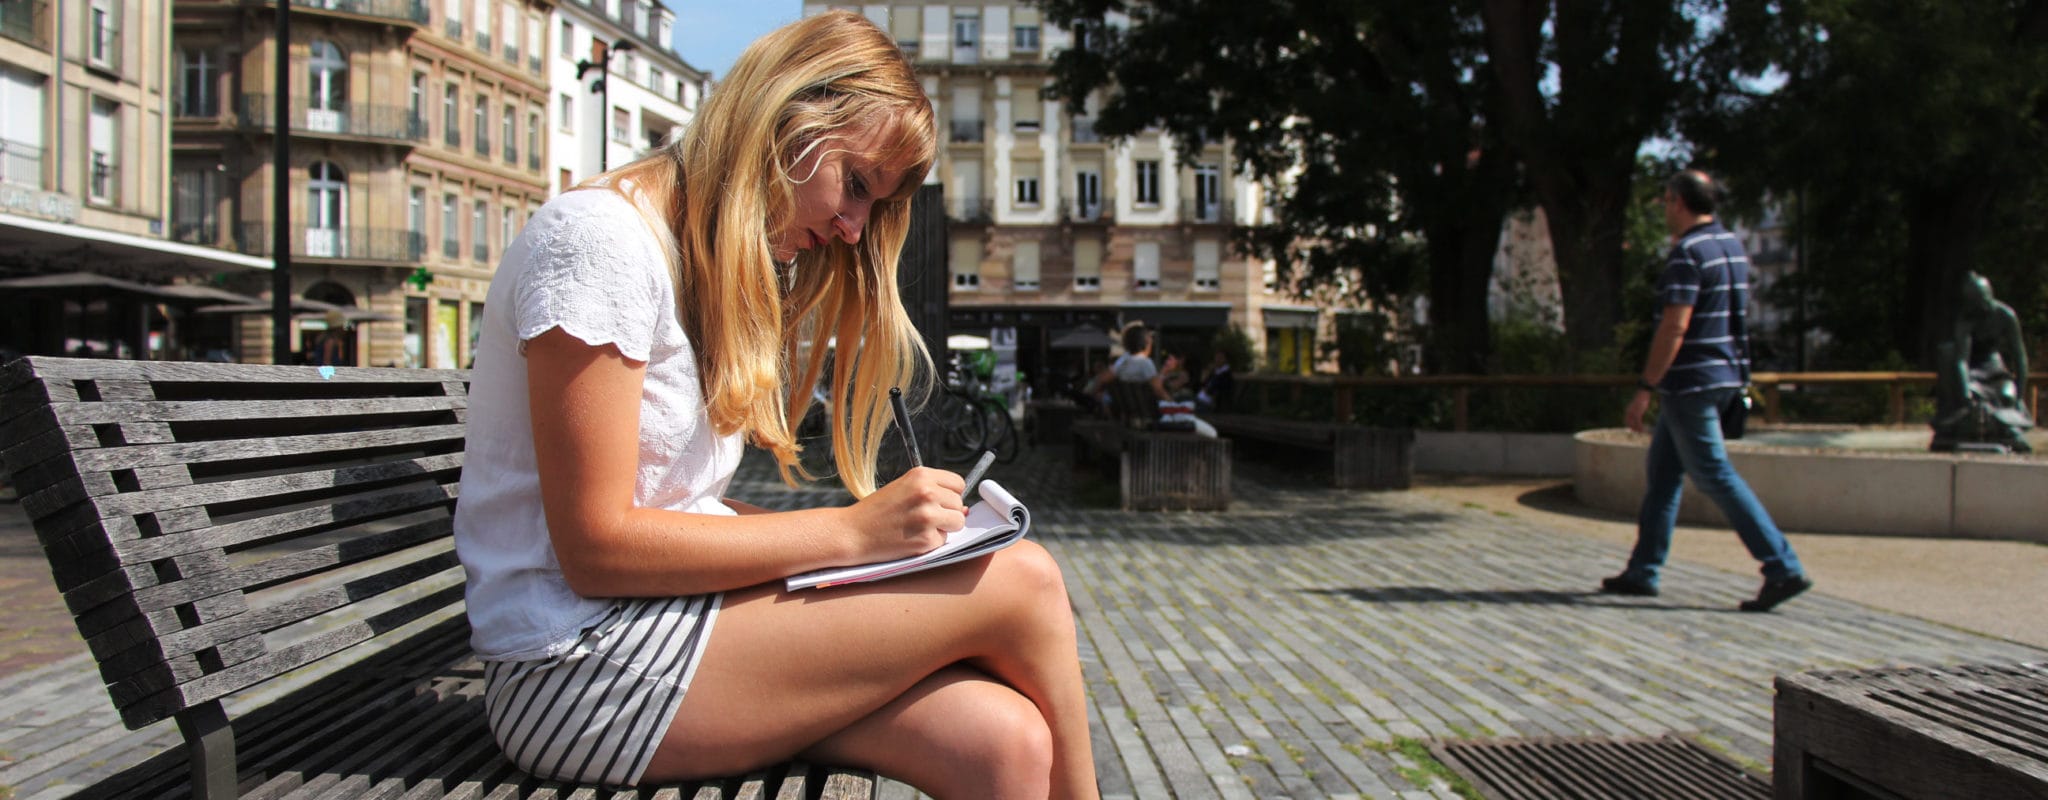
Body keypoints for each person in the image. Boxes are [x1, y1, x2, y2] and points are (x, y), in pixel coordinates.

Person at [452, 13, 1098, 798]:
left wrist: (879, 546)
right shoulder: (599, 242)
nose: (854, 230)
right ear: (787, 112)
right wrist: (850, 534)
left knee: (1005, 743)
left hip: (660, 631)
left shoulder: (686, 257)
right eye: (855, 185)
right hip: (571, 668)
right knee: (1023, 582)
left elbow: (678, 506)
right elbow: (595, 548)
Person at [1602, 169, 1813, 613]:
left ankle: (1782, 566)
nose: (1664, 209)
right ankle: (1643, 570)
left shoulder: (1688, 253)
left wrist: (1645, 388)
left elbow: (1674, 326)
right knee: (1663, 476)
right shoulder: (1730, 246)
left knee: (1714, 474)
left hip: (1690, 381)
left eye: (1665, 201)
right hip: (1723, 375)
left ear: (1678, 202)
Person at [1930, 272, 2033, 453]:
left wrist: (2020, 395)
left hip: (1995, 368)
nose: (1983, 303)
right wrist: (1965, 391)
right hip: (1973, 369)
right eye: (1977, 300)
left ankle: (2009, 430)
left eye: (1984, 297)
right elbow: (1962, 360)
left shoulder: (2006, 315)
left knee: (2007, 395)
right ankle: (1960, 428)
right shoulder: (1966, 320)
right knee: (1974, 397)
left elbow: (2019, 356)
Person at [1092, 323, 1217, 438]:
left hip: (1131, 416)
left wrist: (1099, 395)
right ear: (1146, 343)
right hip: (1153, 418)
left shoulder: (1121, 362)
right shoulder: (1145, 363)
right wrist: (1172, 403)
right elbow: (1158, 390)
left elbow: (1100, 380)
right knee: (1211, 430)